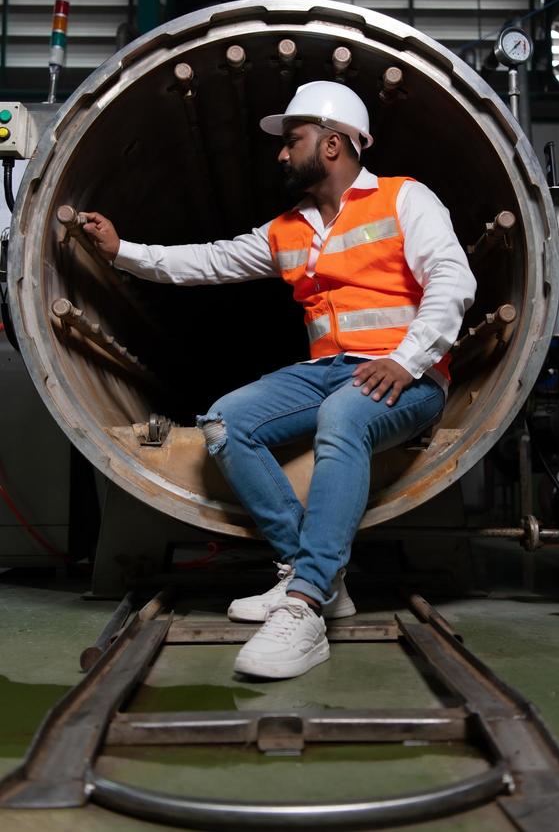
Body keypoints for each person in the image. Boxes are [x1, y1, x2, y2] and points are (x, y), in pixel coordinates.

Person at [83, 81, 476, 681]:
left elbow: (452, 278)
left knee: (344, 418)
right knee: (225, 421)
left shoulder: (405, 200)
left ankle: (304, 609)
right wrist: (122, 252)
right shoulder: (288, 229)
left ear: (335, 144)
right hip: (325, 371)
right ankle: (310, 573)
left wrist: (408, 359)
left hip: (409, 376)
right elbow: (209, 261)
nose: (281, 154)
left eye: (292, 141)